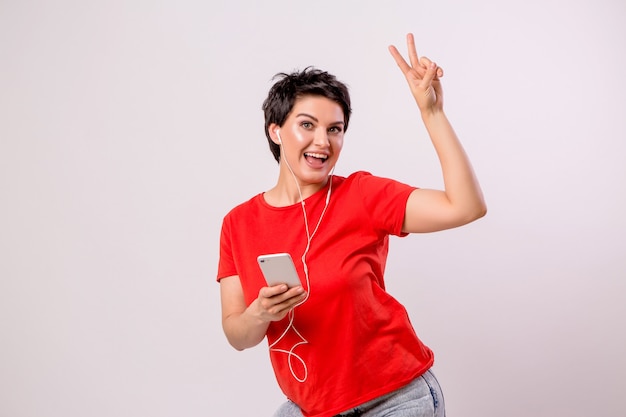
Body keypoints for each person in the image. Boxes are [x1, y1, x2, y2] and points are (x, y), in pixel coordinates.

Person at [217, 33, 486, 417]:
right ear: (276, 131)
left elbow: (466, 207)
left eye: (335, 129)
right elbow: (236, 334)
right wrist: (260, 314)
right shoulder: (237, 224)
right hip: (310, 407)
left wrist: (432, 113)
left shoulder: (361, 195)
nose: (323, 142)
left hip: (397, 399)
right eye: (306, 125)